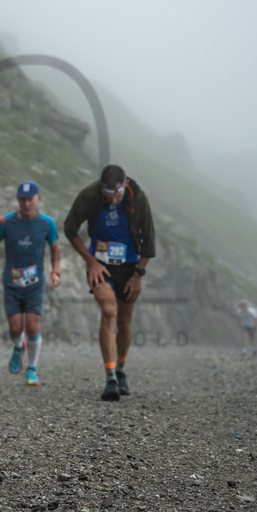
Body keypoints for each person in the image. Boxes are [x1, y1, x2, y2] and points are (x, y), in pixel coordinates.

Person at [64, 164, 155, 402]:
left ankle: (122, 371)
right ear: (101, 188)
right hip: (101, 263)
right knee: (108, 311)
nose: (114, 199)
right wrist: (91, 261)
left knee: (124, 322)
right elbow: (70, 228)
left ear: (125, 185)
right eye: (108, 194)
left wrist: (138, 275)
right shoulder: (90, 195)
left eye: (118, 193)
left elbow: (149, 242)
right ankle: (110, 378)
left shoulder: (138, 198)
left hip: (130, 266)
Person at [0, 181, 62, 386]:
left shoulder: (47, 224)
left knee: (31, 327)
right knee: (14, 329)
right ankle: (18, 346)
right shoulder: (6, 222)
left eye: (30, 199)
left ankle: (32, 369)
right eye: (22, 199)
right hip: (11, 283)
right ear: (18, 200)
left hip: (35, 284)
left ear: (38, 199)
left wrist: (55, 272)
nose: (26, 204)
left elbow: (56, 249)